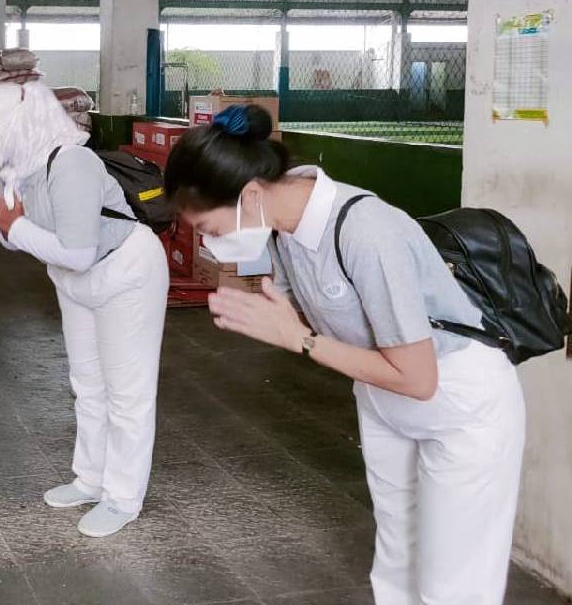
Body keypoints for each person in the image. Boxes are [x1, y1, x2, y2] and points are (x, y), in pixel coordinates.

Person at [166, 105, 525, 604]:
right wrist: (273, 316)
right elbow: (297, 311)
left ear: (250, 195)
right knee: (396, 557)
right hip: (381, 392)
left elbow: (419, 380)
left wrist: (302, 341)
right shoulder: (283, 226)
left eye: (209, 228)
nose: (207, 241)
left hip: (457, 402)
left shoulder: (366, 232)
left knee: (454, 580)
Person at [0, 82, 168, 538]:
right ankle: (91, 478)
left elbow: (76, 249)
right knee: (87, 384)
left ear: (16, 127)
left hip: (124, 273)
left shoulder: (71, 162)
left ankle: (123, 497)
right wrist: (0, 221)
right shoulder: (20, 168)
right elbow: (20, 238)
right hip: (76, 280)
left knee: (127, 393)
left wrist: (12, 224)